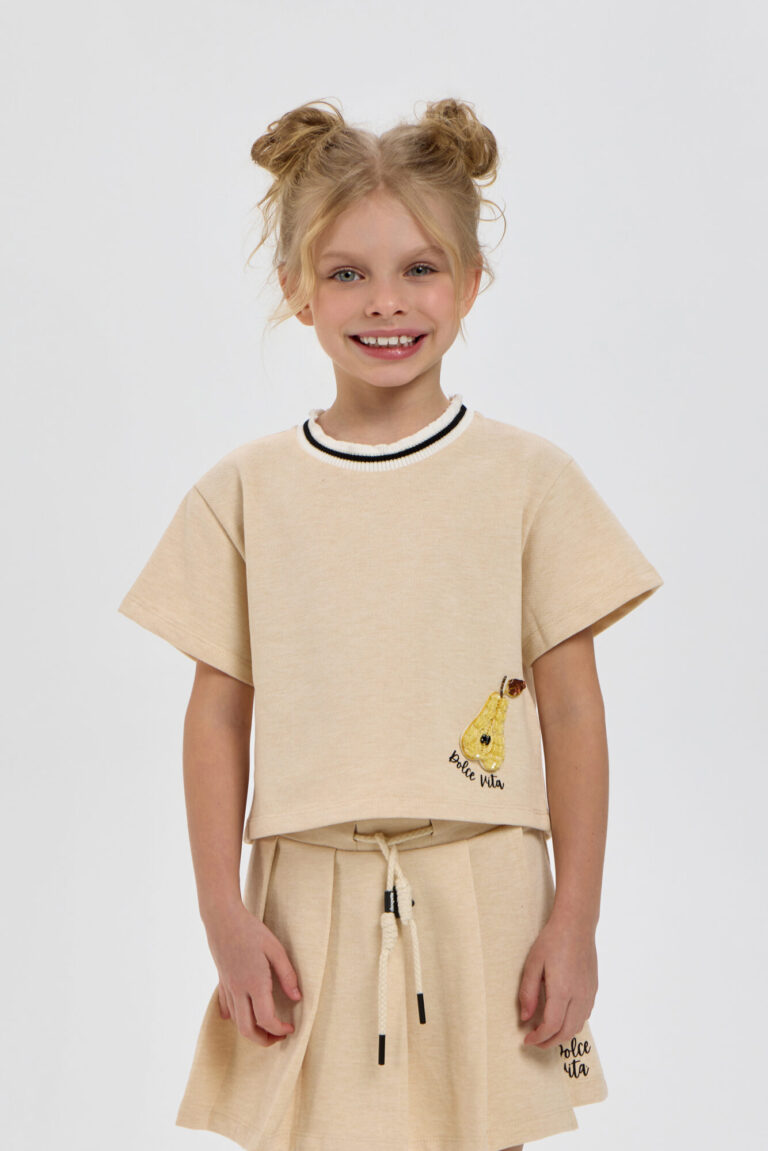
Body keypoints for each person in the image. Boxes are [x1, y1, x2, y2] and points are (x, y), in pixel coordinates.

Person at [117, 97, 664, 1151]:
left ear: (470, 281)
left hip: (489, 886)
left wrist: (575, 915)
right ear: (296, 289)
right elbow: (217, 717)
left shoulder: (529, 480)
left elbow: (571, 711)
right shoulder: (245, 492)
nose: (386, 301)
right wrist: (223, 913)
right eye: (345, 272)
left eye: (420, 267)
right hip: (304, 895)